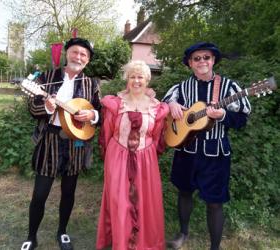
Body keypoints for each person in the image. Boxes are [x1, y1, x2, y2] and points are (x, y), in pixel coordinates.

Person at [162, 42, 251, 250]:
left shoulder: (229, 87)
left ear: (213, 61)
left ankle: (214, 246)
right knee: (184, 192)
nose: (202, 61)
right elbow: (162, 107)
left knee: (215, 202)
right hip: (185, 151)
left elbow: (242, 120)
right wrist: (171, 105)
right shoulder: (181, 87)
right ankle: (183, 233)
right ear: (190, 63)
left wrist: (223, 115)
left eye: (206, 57)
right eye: (197, 58)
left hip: (215, 154)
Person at [21, 37, 101, 250]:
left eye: (84, 55)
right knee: (40, 193)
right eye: (75, 52)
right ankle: (31, 237)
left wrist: (91, 115)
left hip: (75, 142)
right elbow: (32, 108)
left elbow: (99, 112)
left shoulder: (91, 83)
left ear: (88, 60)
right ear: (67, 54)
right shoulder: (47, 78)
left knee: (68, 192)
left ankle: (62, 232)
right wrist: (47, 106)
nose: (79, 57)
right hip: (49, 140)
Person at [96, 60, 169, 250]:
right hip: (118, 156)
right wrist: (110, 157)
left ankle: (144, 243)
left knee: (146, 202)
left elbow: (157, 135)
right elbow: (107, 132)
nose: (136, 81)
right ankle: (121, 243)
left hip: (146, 159)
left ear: (147, 80)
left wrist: (146, 154)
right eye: (132, 77)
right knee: (120, 201)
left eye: (140, 77)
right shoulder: (115, 103)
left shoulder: (157, 108)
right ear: (127, 80)